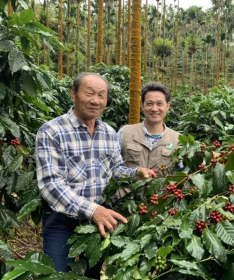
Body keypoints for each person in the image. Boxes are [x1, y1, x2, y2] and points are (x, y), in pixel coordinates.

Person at [35, 72, 155, 278]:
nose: (95, 100)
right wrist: (94, 211)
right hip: (62, 220)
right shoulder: (51, 131)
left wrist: (135, 173)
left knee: (92, 273)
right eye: (89, 93)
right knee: (58, 274)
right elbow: (51, 184)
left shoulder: (108, 132)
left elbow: (115, 170)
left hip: (99, 220)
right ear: (74, 94)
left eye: (101, 95)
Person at [115, 83, 180, 200]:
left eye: (159, 104)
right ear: (142, 106)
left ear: (167, 106)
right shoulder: (124, 133)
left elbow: (183, 176)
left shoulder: (178, 140)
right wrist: (134, 173)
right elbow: (111, 168)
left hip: (160, 211)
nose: (154, 109)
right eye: (149, 103)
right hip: (123, 208)